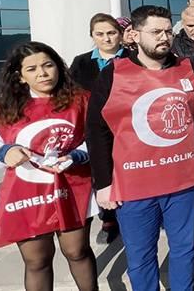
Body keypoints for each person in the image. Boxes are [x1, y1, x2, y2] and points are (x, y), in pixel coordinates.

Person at [86, 5, 194, 291]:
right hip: (134, 185)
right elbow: (96, 131)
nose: (164, 37)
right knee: (141, 255)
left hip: (181, 182)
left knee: (183, 248)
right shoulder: (114, 74)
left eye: (169, 31)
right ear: (135, 34)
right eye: (156, 31)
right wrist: (104, 183)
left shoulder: (187, 68)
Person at [0, 41, 98, 291]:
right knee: (37, 260)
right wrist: (6, 152)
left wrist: (77, 156)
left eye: (48, 65)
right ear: (20, 76)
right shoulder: (2, 109)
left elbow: (98, 140)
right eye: (32, 69)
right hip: (27, 192)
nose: (43, 73)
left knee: (77, 251)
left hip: (72, 186)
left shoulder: (81, 100)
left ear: (59, 67)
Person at [70, 13, 129, 245]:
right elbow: (71, 94)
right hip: (95, 127)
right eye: (100, 34)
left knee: (126, 171)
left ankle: (130, 215)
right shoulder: (82, 62)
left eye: (112, 33)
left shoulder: (132, 58)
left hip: (124, 127)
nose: (107, 39)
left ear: (120, 34)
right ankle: (108, 219)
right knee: (101, 173)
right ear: (92, 36)